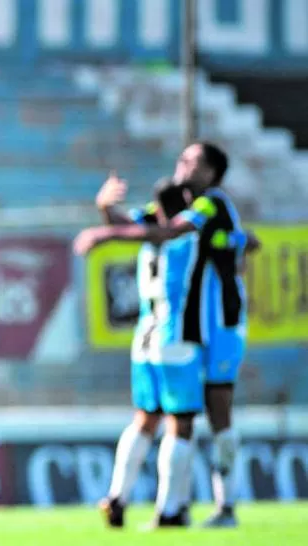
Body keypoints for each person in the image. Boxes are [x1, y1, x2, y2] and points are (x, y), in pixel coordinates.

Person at [78, 142, 259, 528]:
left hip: (218, 326)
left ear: (211, 173)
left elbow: (161, 229)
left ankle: (223, 506)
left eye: (192, 160)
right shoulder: (169, 218)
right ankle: (170, 508)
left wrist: (105, 228)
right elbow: (143, 225)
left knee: (214, 412)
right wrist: (106, 210)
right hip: (182, 333)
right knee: (179, 418)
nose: (182, 162)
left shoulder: (211, 205)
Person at [96, 178, 203, 528]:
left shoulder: (148, 227)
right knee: (181, 424)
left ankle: (117, 497)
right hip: (177, 339)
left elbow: (123, 222)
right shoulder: (185, 231)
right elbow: (159, 231)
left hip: (144, 338)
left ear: (157, 208)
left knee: (144, 419)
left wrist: (105, 207)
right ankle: (170, 510)